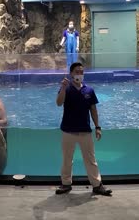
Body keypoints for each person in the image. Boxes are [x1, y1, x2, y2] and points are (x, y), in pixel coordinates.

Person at [55, 62, 112, 196]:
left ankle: (97, 185)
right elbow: (58, 103)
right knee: (67, 159)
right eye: (77, 71)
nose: (79, 74)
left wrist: (98, 127)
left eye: (81, 72)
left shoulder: (89, 90)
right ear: (71, 74)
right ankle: (66, 184)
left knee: (90, 159)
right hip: (68, 131)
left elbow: (93, 110)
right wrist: (63, 88)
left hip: (85, 131)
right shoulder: (66, 88)